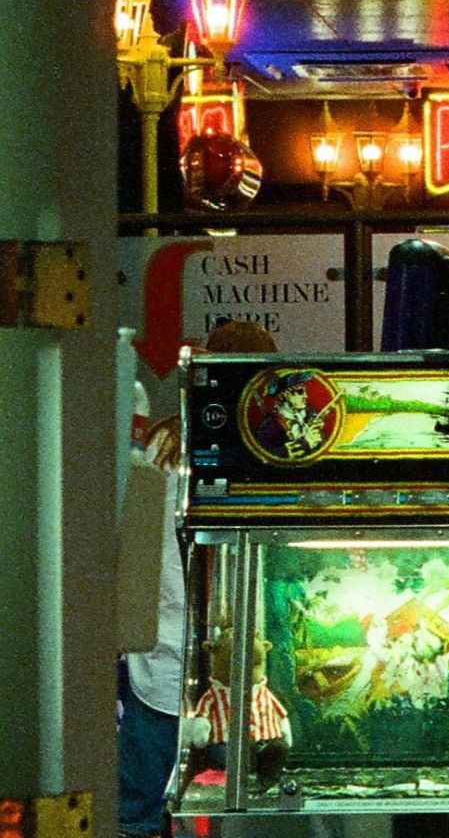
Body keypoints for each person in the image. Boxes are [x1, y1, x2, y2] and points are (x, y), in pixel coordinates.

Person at [118, 319, 276, 838]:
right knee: (150, 796)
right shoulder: (170, 447)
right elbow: (141, 557)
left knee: (201, 795)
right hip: (171, 648)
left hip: (218, 653)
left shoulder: (265, 448)